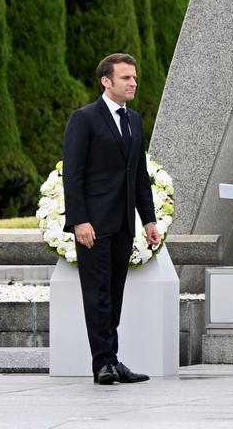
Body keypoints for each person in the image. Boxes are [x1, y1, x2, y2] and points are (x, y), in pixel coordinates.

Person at [62, 53, 160, 385]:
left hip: (122, 224)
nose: (133, 83)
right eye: (125, 78)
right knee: (97, 293)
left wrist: (149, 220)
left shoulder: (133, 121)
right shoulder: (84, 118)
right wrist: (79, 221)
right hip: (92, 225)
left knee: (114, 294)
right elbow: (72, 175)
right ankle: (102, 363)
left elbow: (139, 175)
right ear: (106, 81)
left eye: (134, 78)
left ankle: (113, 360)